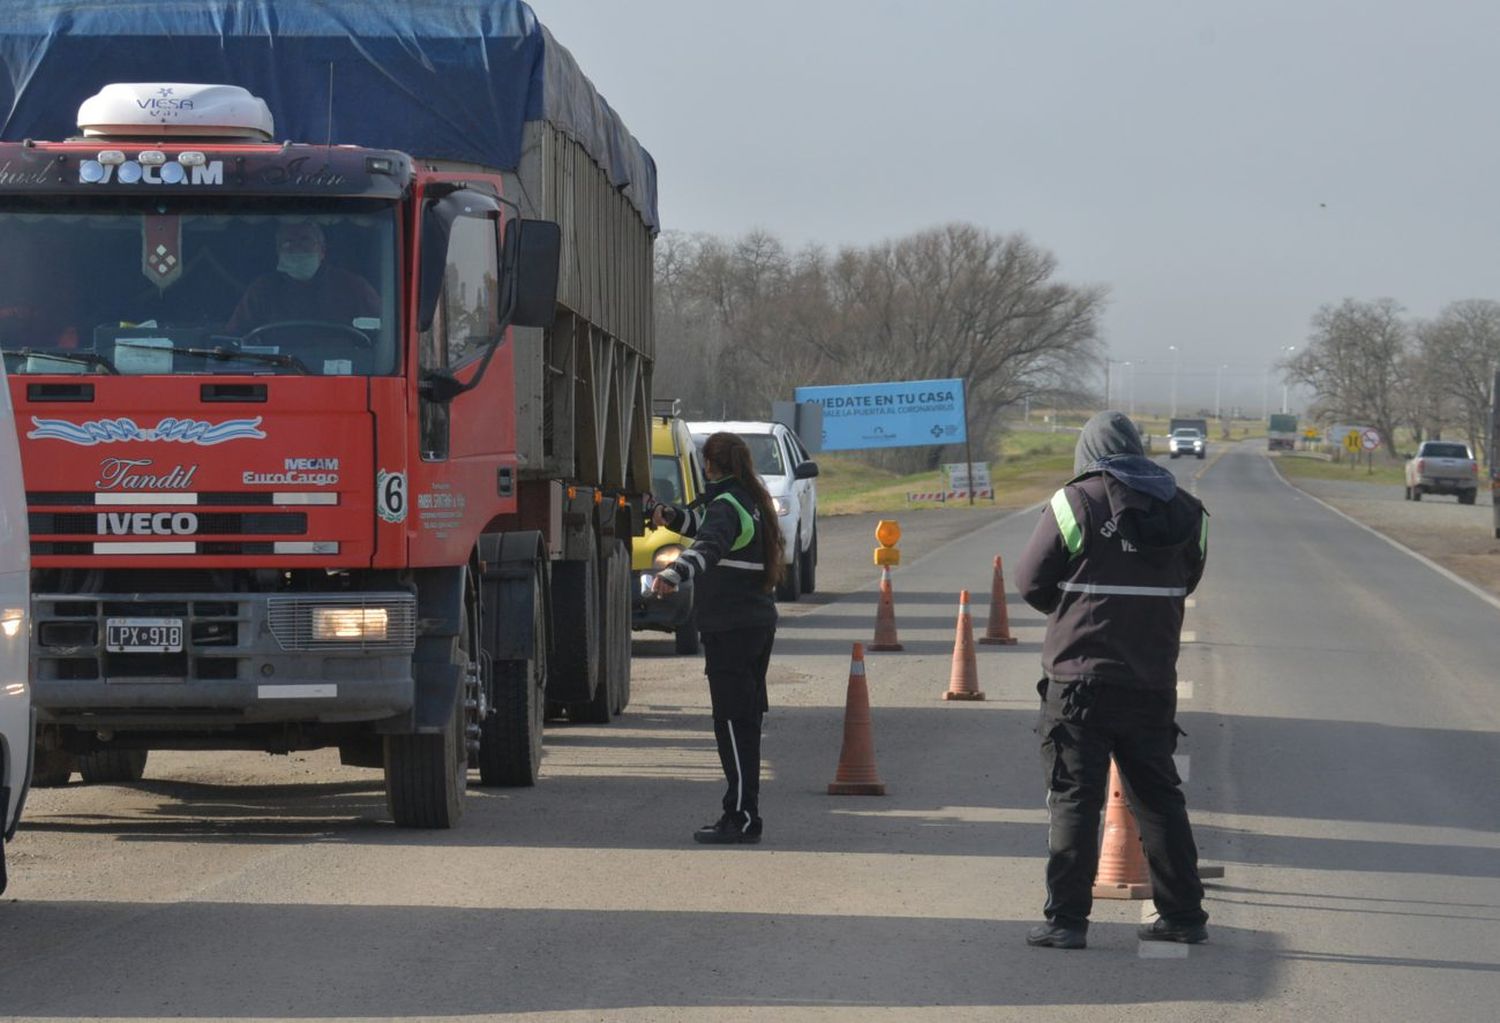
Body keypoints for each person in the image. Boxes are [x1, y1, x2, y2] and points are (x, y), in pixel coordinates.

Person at [1014, 410, 1210, 950]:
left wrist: (1071, 606)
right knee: (1159, 799)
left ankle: (1066, 923)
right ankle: (1184, 915)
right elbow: (1188, 578)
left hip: (1078, 680)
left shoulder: (1074, 501)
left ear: (1087, 453)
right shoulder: (1189, 512)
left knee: (1076, 799)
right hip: (1150, 680)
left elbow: (1031, 581)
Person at [650, 431, 785, 845]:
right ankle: (743, 813)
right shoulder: (748, 500)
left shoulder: (727, 505)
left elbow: (708, 546)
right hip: (754, 625)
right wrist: (671, 517)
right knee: (744, 723)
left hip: (733, 629)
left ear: (710, 465)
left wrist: (673, 574)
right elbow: (706, 527)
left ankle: (742, 818)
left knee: (732, 725)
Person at [226, 220, 379, 336]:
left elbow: (383, 335)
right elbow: (236, 337)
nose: (297, 248)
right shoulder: (261, 290)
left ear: (322, 250)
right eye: (288, 242)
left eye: (305, 240)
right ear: (278, 252)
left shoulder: (354, 287)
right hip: (277, 371)